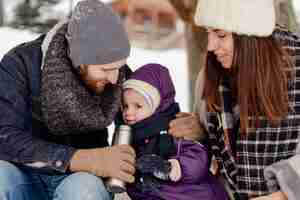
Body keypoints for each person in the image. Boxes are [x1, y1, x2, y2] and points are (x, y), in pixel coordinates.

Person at [0, 0, 136, 200]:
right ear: (79, 60)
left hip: (81, 180)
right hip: (23, 174)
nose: (115, 79)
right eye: (105, 70)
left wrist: (181, 124)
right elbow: (5, 136)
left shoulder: (116, 74)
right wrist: (78, 158)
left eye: (119, 67)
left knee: (84, 191)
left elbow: (144, 119)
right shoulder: (21, 64)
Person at [182, 0, 300, 199]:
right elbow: (220, 160)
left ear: (250, 36)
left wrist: (282, 195)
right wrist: (200, 133)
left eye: (221, 35)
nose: (210, 46)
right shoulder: (209, 78)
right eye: (208, 32)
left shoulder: (294, 74)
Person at [121, 63, 228, 200]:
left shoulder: (175, 128)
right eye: (125, 106)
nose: (129, 112)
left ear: (157, 105)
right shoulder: (131, 138)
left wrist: (169, 168)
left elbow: (198, 159)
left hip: (191, 195)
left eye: (138, 106)